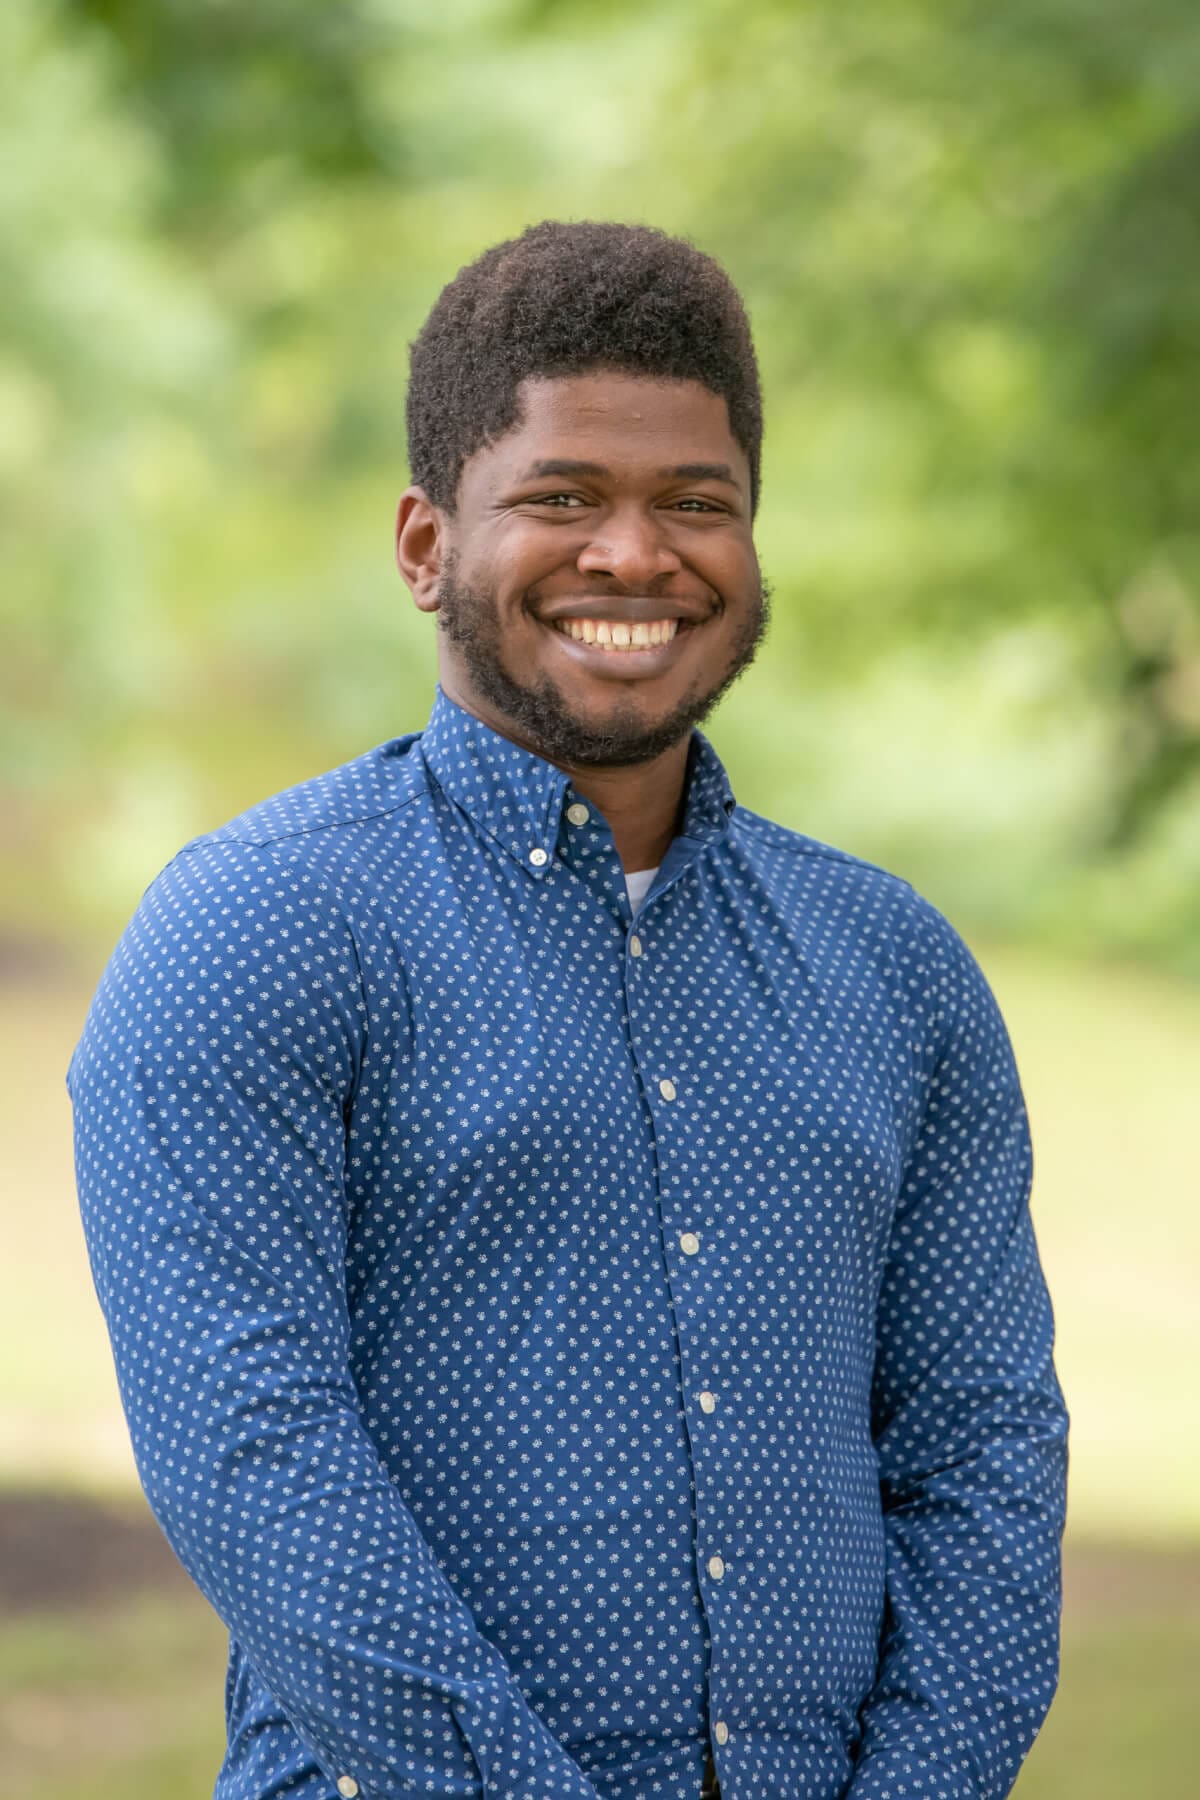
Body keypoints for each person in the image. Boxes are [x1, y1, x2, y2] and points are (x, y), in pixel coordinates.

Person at [66, 219, 1069, 1800]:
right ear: (422, 546)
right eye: (561, 498)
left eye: (697, 504)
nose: (635, 556)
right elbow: (255, 1460)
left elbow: (985, 1456)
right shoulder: (257, 932)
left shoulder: (900, 968)